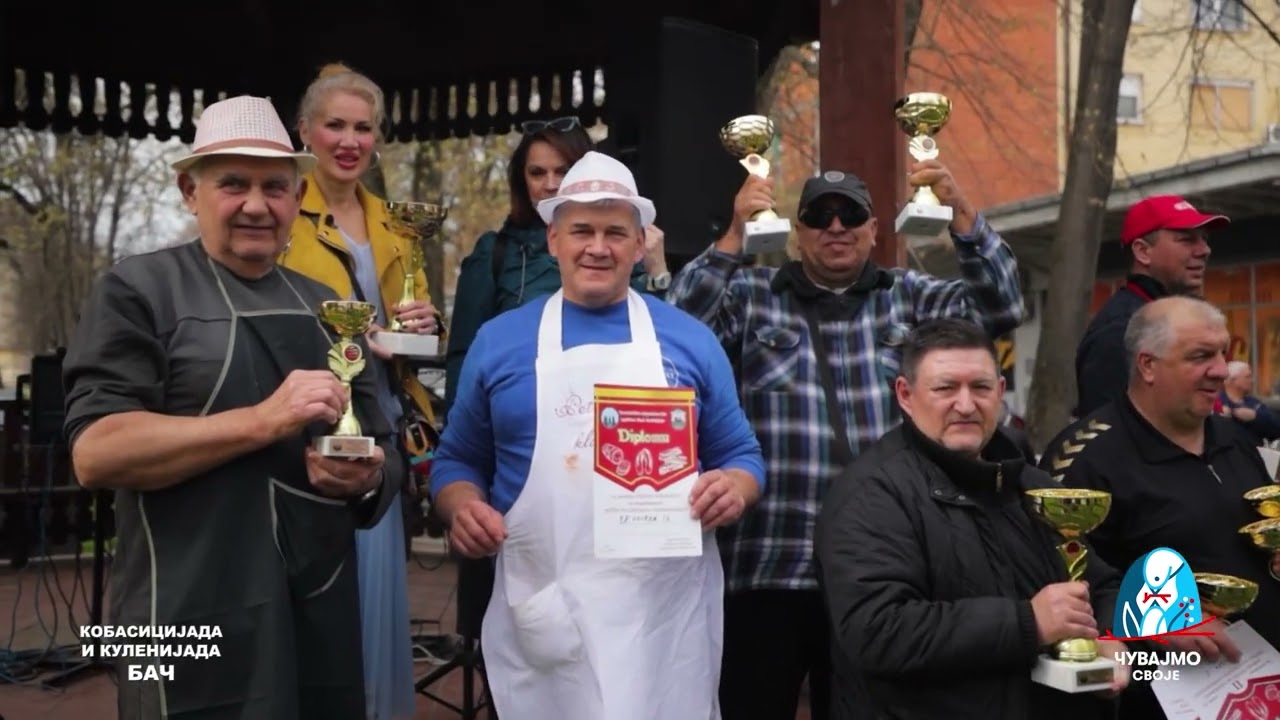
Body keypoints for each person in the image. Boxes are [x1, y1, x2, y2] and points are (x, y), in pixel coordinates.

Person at [61, 95, 404, 719]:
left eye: (275, 186)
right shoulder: (137, 290)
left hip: (316, 604)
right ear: (189, 191)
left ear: (296, 197)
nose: (256, 204)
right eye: (233, 184)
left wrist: (367, 475)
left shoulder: (329, 304)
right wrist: (263, 420)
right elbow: (96, 452)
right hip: (177, 608)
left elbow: (383, 442)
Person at [666, 162, 1025, 720]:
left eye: (850, 214)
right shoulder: (753, 294)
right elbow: (676, 326)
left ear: (874, 229)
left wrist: (962, 215)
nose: (836, 226)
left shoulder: (909, 296)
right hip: (771, 560)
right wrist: (735, 234)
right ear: (797, 231)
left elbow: (1001, 309)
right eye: (818, 215)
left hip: (882, 567)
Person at [429, 151, 767, 720]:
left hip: (662, 618)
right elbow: (456, 461)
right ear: (553, 239)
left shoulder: (689, 340)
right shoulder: (500, 340)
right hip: (547, 608)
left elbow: (741, 455)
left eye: (616, 232)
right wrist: (461, 506)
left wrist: (734, 487)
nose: (598, 247)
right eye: (581, 230)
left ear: (639, 245)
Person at [815, 318, 1127, 719]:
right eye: (945, 388)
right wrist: (1027, 622)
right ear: (905, 395)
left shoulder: (1033, 486)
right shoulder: (872, 494)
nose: (965, 405)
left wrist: (1109, 638)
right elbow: (878, 630)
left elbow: (1099, 584)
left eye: (980, 387)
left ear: (999, 392)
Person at [1042, 296, 1280, 719]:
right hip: (1160, 690)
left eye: (1224, 353)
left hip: (1261, 685)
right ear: (1148, 366)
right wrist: (1158, 617)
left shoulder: (1234, 440)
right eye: (1201, 356)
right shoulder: (1083, 457)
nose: (1222, 370)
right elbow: (1055, 578)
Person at [276, 62, 428, 720]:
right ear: (304, 130)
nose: (349, 139)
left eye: (363, 128)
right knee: (318, 587)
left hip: (384, 419)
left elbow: (414, 321)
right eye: (334, 124)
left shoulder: (398, 224)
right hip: (314, 412)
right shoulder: (282, 212)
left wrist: (427, 324)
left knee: (377, 584)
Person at [444, 116, 670, 410]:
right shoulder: (494, 253)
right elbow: (464, 355)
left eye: (562, 171)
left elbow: (660, 343)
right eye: (537, 173)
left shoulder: (619, 246)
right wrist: (461, 442)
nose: (550, 185)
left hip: (615, 411)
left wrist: (659, 274)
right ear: (521, 179)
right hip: (521, 414)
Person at [1074, 195, 1228, 417]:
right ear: (1143, 252)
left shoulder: (1181, 316)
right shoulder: (1120, 330)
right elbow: (1107, 440)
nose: (1205, 250)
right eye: (1187, 239)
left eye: (1204, 239)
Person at [1217, 360, 1280, 446]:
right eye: (1248, 377)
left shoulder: (1255, 404)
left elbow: (1276, 429)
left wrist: (1255, 417)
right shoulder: (1216, 403)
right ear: (1233, 380)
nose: (1252, 380)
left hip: (1253, 457)